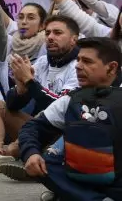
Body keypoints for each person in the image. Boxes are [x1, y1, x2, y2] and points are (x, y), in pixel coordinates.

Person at [0, 14, 80, 174]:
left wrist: (30, 82)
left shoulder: (78, 67)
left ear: (74, 39)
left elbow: (60, 108)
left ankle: (13, 154)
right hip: (37, 128)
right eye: (47, 33)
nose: (50, 37)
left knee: (40, 117)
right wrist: (21, 88)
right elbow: (13, 106)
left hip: (62, 134)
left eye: (57, 33)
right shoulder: (42, 62)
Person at [19, 37, 122, 201]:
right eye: (78, 60)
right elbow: (32, 128)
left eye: (87, 61)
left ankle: (70, 194)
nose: (78, 66)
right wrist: (30, 153)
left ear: (111, 68)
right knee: (44, 164)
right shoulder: (71, 99)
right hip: (80, 174)